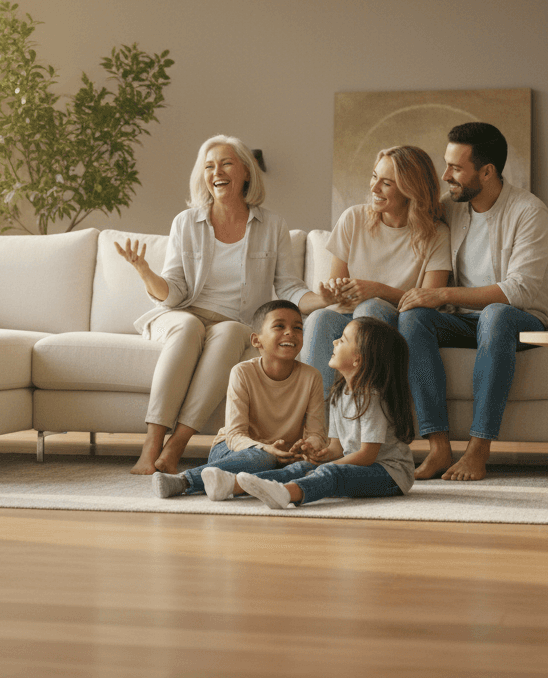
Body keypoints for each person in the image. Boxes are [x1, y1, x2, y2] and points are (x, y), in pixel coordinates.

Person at [116, 135, 331, 475]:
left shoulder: (271, 225)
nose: (217, 171)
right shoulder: (185, 223)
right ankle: (151, 444)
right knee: (188, 327)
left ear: (246, 172)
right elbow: (172, 293)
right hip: (182, 313)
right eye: (209, 166)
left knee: (233, 331)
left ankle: (177, 445)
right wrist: (145, 273)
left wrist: (324, 300)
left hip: (235, 322)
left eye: (226, 163)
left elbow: (289, 286)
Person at [396, 122, 548, 482]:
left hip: (520, 320)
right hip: (462, 321)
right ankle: (438, 447)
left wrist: (443, 294)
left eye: (456, 168)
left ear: (487, 172)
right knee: (412, 320)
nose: (445, 175)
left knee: (496, 315)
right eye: (446, 164)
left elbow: (521, 289)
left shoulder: (529, 212)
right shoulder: (450, 209)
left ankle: (478, 451)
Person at [303, 145, 451, 388]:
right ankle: (317, 423)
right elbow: (336, 286)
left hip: (395, 323)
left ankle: (371, 412)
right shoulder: (353, 218)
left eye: (386, 183)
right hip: (347, 317)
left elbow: (431, 300)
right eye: (374, 177)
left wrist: (378, 290)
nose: (374, 188)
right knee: (320, 318)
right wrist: (332, 292)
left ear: (410, 189)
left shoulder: (437, 235)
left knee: (371, 309)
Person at [151, 299, 326, 500]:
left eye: (298, 328)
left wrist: (309, 447)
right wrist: (266, 449)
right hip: (234, 449)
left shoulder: (312, 377)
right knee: (262, 459)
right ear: (256, 340)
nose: (290, 332)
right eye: (279, 326)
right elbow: (234, 435)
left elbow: (316, 433)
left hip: (282, 454)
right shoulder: (242, 372)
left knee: (307, 466)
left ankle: (235, 485)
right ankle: (184, 480)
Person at [234, 316, 416, 509]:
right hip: (359, 465)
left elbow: (367, 456)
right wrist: (319, 455)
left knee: (331, 474)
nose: (334, 342)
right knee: (302, 467)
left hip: (389, 474)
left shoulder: (373, 398)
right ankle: (236, 486)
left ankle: (287, 493)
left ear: (358, 359)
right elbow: (337, 449)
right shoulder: (340, 394)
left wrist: (327, 466)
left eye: (343, 340)